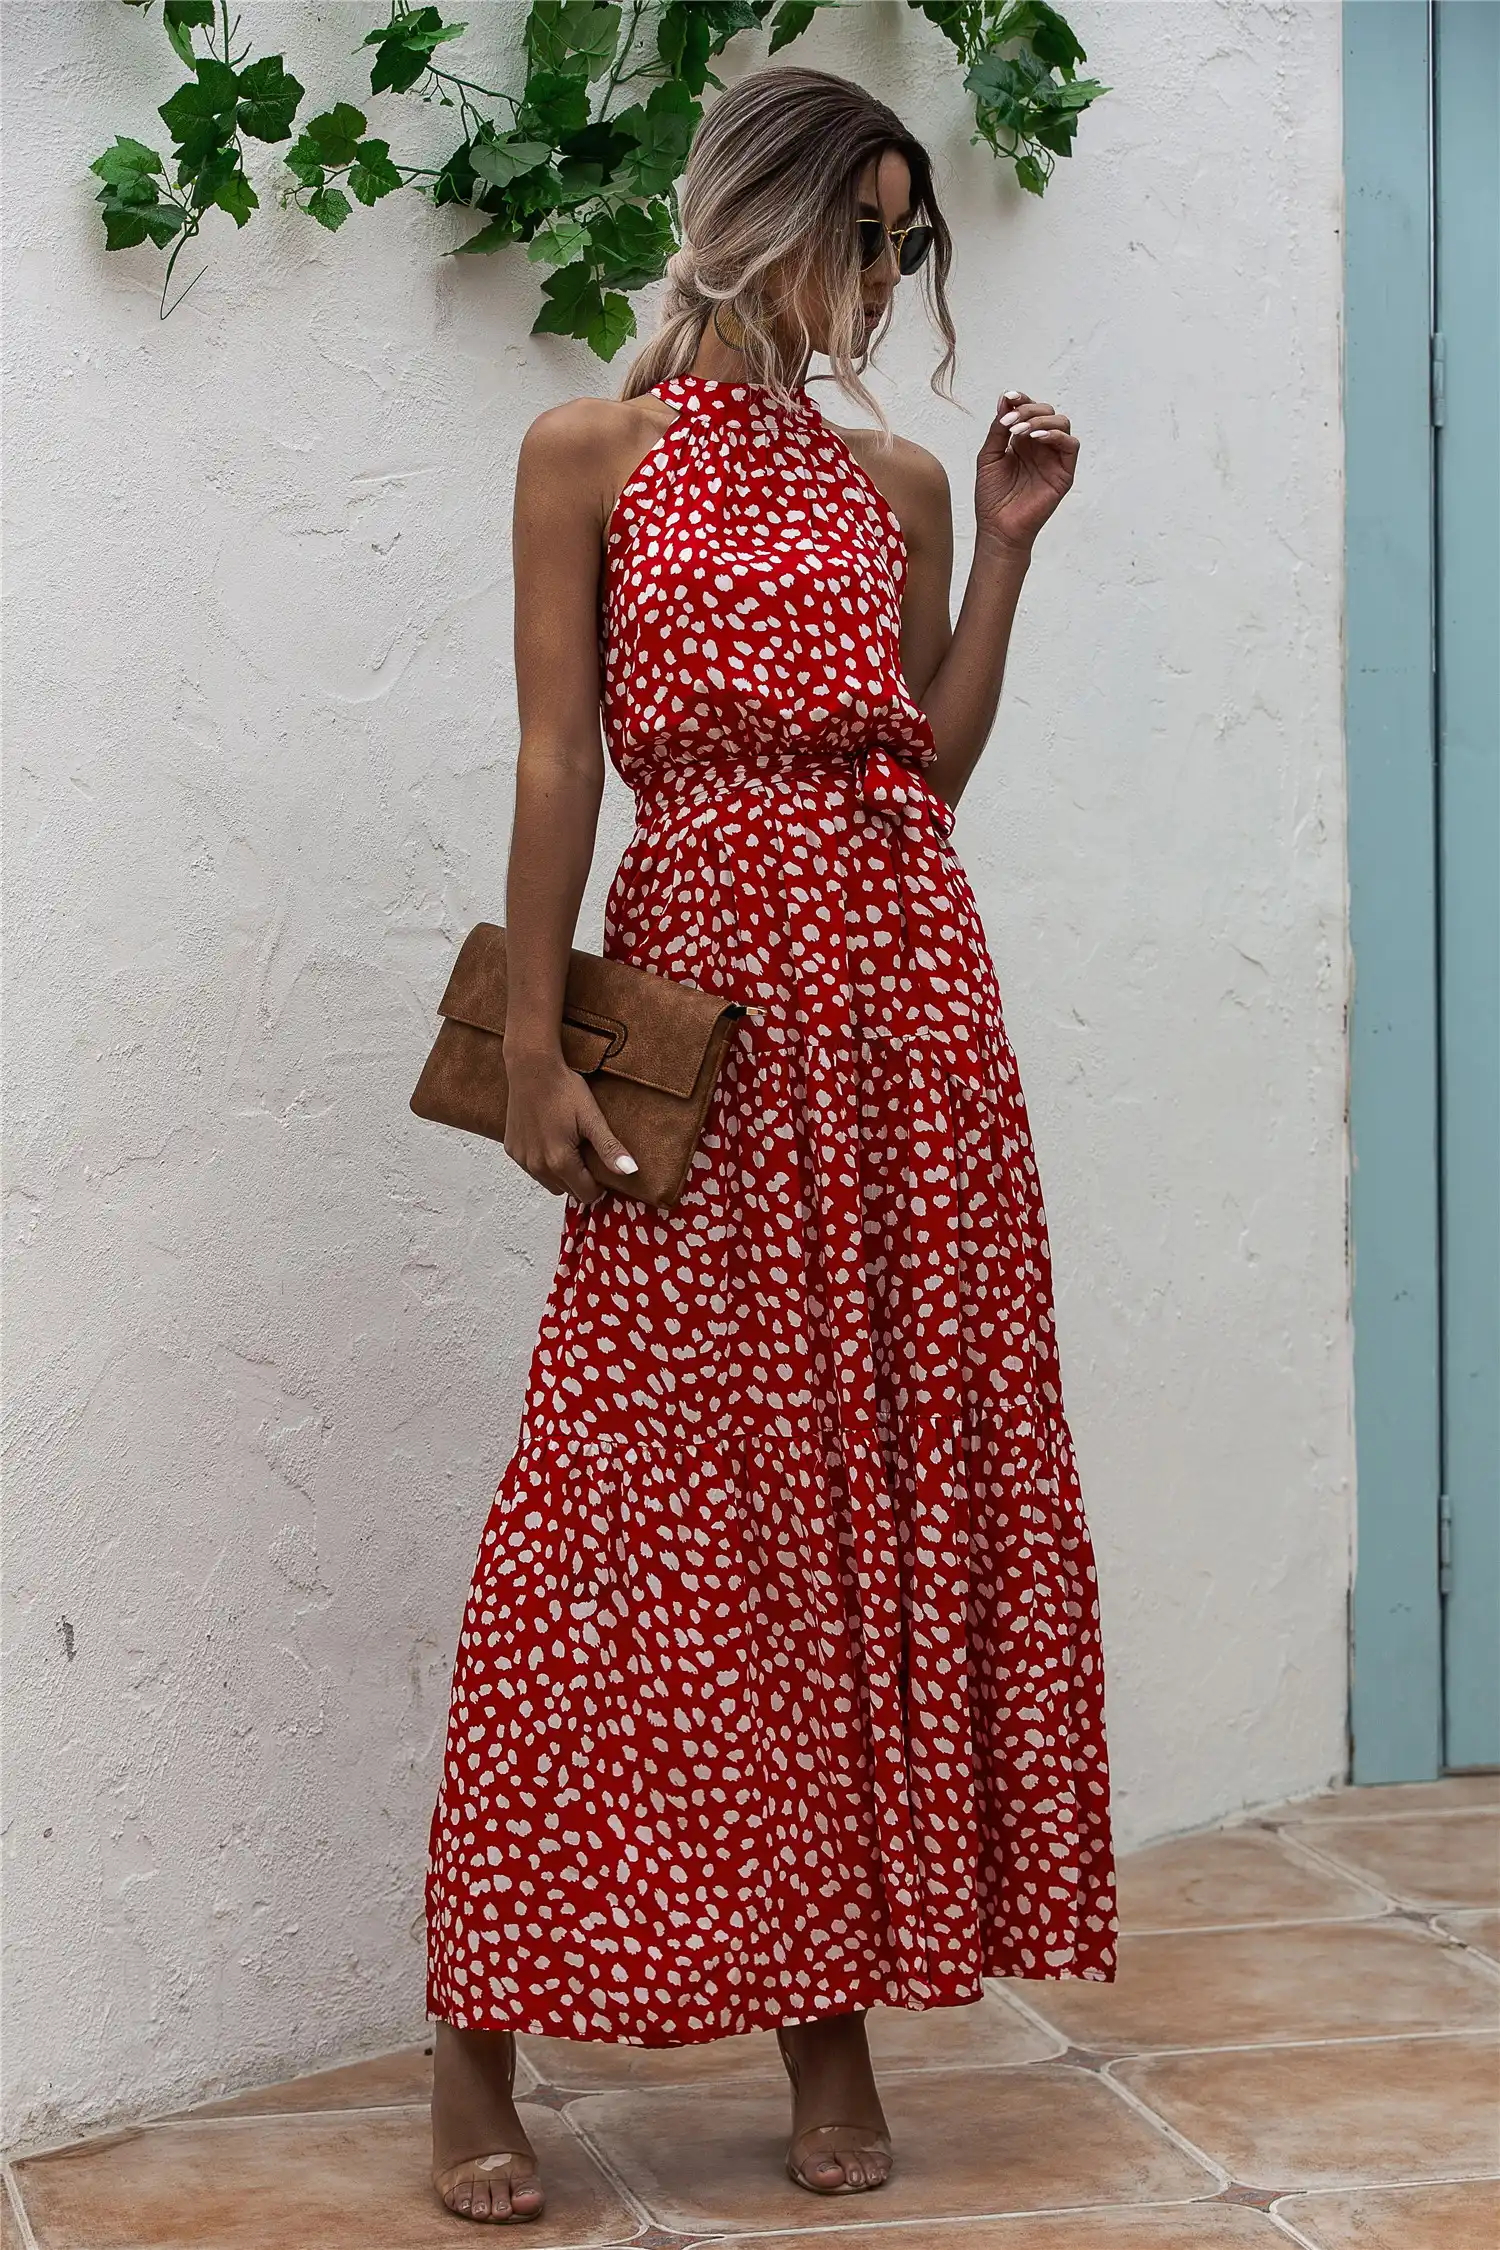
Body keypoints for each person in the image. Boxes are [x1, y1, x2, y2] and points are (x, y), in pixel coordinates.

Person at [423, 62, 1117, 2226]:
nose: (885, 279)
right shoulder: (588, 457)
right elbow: (559, 763)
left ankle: (828, 2021)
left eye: (909, 246)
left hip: (908, 1041)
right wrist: (537, 1046)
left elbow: (923, 766)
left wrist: (998, 562)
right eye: (865, 234)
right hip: (708, 1022)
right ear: (759, 215)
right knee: (622, 1505)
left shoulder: (894, 481)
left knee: (856, 1511)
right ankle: (472, 2046)